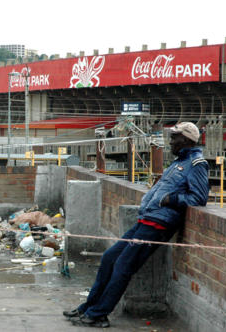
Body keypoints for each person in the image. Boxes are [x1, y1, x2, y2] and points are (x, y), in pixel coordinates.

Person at [64, 122, 209, 328]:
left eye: (174, 137)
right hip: (147, 220)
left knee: (123, 266)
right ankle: (89, 306)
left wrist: (170, 199)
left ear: (186, 140)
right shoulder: (179, 162)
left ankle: (99, 314)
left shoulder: (196, 164)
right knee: (109, 258)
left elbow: (199, 198)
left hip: (159, 225)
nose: (170, 141)